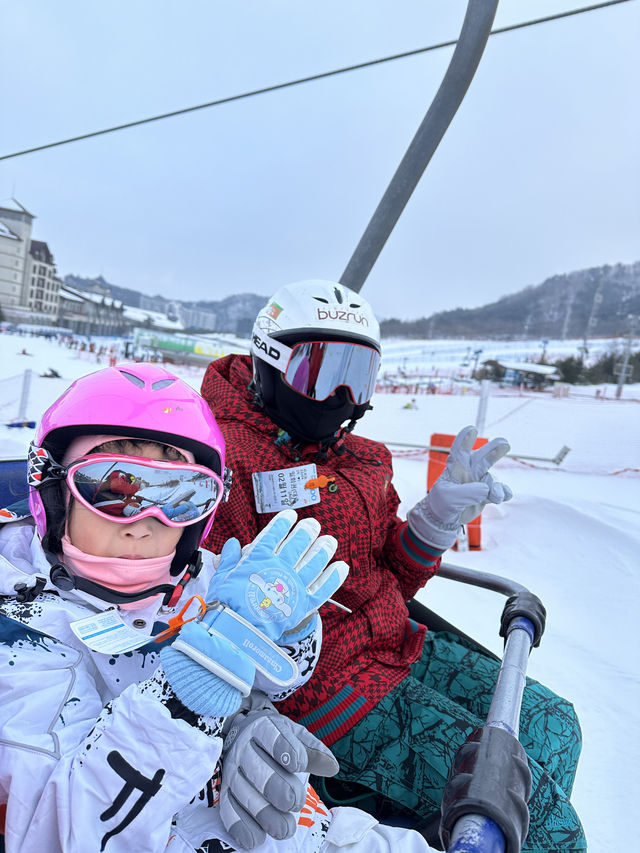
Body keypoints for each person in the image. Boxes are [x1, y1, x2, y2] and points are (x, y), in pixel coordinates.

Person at [0, 362, 450, 853]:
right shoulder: (21, 641)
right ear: (53, 489)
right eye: (115, 489)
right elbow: (60, 832)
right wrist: (187, 703)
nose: (147, 520)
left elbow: (284, 663)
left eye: (182, 495)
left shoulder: (198, 577)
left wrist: (259, 686)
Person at [200, 280, 586, 851]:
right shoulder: (220, 456)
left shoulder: (362, 459)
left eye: (359, 376)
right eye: (321, 373)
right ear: (268, 361)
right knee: (548, 827)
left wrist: (435, 520)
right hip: (329, 694)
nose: (340, 396)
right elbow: (200, 602)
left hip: (397, 644)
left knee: (552, 725)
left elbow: (395, 577)